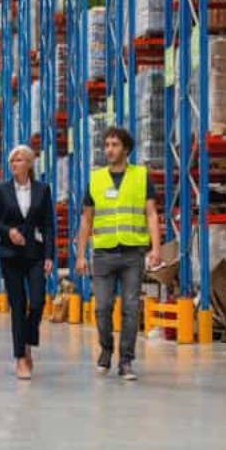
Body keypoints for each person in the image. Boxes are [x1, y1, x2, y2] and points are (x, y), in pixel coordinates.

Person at [75, 127, 163, 381]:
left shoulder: (141, 176)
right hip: (103, 254)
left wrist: (156, 248)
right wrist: (81, 255)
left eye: (114, 144)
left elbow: (151, 214)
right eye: (107, 145)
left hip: (132, 253)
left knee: (131, 308)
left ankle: (126, 361)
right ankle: (106, 349)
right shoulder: (96, 179)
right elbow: (86, 220)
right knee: (102, 307)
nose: (109, 149)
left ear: (126, 149)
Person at [0, 145, 54, 380]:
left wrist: (49, 256)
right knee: (17, 305)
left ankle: (27, 341)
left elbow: (48, 225)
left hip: (35, 254)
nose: (14, 164)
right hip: (11, 255)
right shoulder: (1, 191)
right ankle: (21, 358)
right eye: (12, 161)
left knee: (37, 302)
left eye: (19, 160)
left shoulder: (42, 189)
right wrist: (9, 232)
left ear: (29, 163)